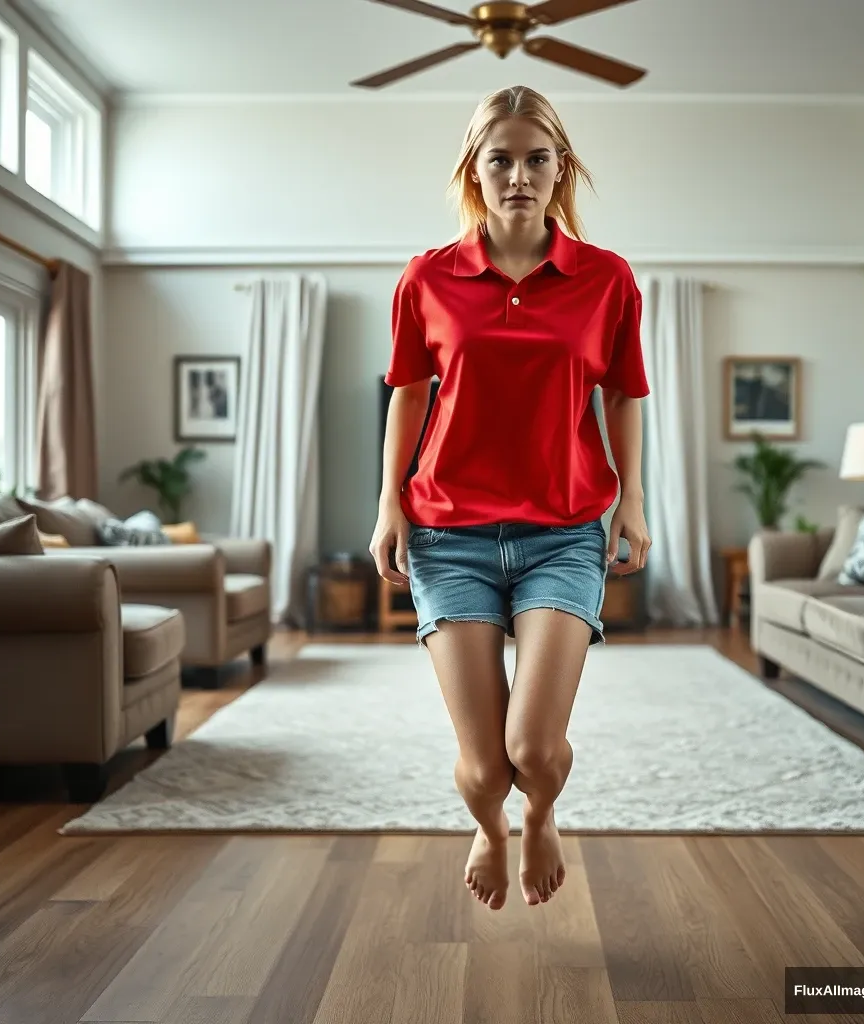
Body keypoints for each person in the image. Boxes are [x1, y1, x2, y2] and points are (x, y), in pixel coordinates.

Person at [369, 85, 650, 911]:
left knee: (534, 746)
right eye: (501, 160)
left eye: (537, 159)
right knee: (487, 767)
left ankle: (543, 815)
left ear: (561, 169)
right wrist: (390, 503)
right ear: (474, 170)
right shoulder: (426, 277)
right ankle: (492, 825)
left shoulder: (607, 279)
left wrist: (630, 502)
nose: (519, 176)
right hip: (447, 534)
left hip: (562, 533)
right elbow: (408, 394)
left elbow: (624, 395)